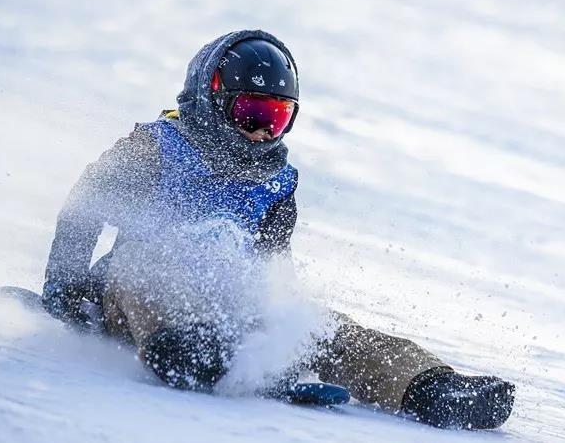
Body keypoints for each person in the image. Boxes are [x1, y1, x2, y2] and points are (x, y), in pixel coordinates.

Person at [41, 29, 514, 430]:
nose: (264, 133)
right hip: (129, 301)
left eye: (278, 117)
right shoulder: (157, 149)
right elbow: (85, 206)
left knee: (321, 327)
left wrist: (284, 327)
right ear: (214, 100)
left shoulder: (274, 186)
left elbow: (270, 267)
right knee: (143, 265)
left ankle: (430, 387)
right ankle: (184, 349)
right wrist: (63, 284)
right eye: (253, 114)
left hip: (227, 308)